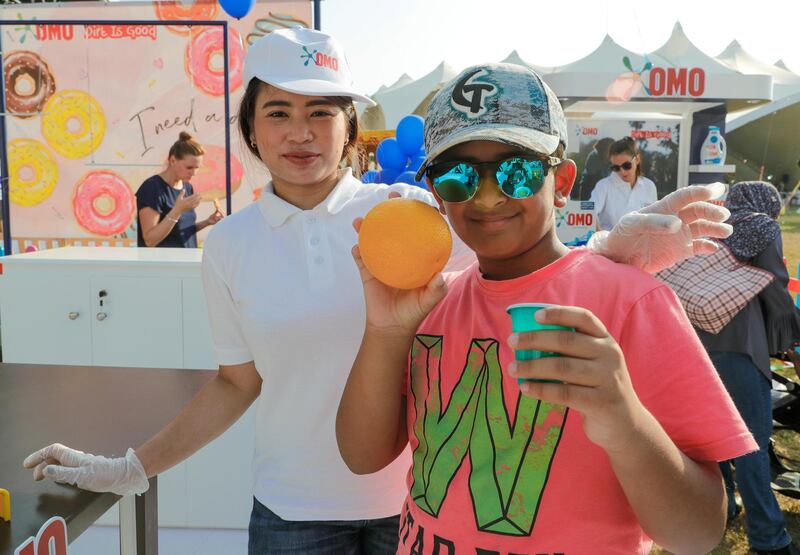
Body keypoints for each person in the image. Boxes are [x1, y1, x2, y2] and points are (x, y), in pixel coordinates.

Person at [23, 31, 735, 554]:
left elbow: (520, 253)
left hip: (406, 509)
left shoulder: (414, 215)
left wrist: (608, 249)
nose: (301, 132)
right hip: (294, 512)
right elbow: (236, 384)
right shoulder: (230, 246)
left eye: (323, 112)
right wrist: (134, 464)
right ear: (249, 128)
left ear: (349, 127)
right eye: (278, 113)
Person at [336, 63, 757, 554]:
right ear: (435, 193)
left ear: (562, 181)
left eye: (518, 170)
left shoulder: (631, 303)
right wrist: (385, 331)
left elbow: (699, 533)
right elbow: (362, 457)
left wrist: (624, 422)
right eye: (459, 176)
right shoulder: (431, 302)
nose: (489, 196)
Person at [695, 181, 800, 555]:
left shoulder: (712, 225)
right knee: (751, 440)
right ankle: (768, 538)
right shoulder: (761, 226)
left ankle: (722, 510)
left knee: (715, 436)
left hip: (697, 343)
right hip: (741, 344)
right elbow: (774, 287)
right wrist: (792, 338)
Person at [136, 131, 224, 248]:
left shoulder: (187, 187)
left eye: (197, 168)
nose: (193, 173)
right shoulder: (152, 187)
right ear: (172, 160)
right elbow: (150, 240)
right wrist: (177, 210)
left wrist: (207, 222)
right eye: (189, 167)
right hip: (162, 264)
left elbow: (178, 232)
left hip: (186, 261)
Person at [590, 136, 657, 231]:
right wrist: (601, 236)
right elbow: (589, 212)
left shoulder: (649, 186)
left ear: (637, 159)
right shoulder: (604, 186)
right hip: (610, 244)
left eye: (627, 165)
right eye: (616, 168)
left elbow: (653, 219)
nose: (622, 171)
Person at [573, 136, 613, 201]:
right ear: (602, 150)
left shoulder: (613, 158)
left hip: (605, 191)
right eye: (608, 150)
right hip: (589, 188)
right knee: (588, 208)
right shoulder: (593, 157)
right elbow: (595, 176)